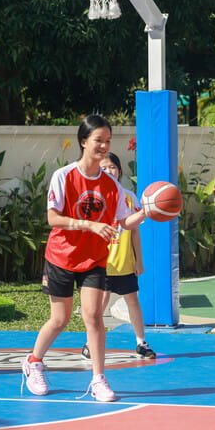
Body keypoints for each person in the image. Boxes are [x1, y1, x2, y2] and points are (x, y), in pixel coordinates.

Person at [22, 115, 149, 401]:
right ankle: (33, 362)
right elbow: (53, 218)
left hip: (94, 259)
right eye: (98, 140)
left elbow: (124, 222)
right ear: (83, 142)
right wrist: (89, 225)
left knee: (93, 316)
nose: (104, 146)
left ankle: (98, 379)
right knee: (60, 319)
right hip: (62, 256)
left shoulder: (112, 185)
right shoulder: (64, 176)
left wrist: (147, 212)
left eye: (108, 141)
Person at [80, 152, 156, 361]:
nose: (108, 171)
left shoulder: (129, 197)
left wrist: (139, 260)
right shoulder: (92, 197)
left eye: (112, 167)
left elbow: (135, 231)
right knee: (98, 305)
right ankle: (90, 343)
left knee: (132, 300)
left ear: (120, 171)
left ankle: (141, 342)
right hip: (101, 262)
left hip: (124, 261)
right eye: (103, 168)